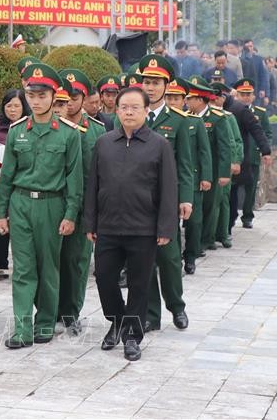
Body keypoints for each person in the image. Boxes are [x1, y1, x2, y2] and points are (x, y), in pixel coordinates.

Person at [84, 87, 178, 361]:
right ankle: (117, 320)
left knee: (140, 284)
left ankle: (132, 337)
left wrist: (165, 228)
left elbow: (168, 188)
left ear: (146, 112)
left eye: (135, 107)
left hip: (143, 228)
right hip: (108, 226)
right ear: (116, 109)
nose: (128, 112)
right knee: (103, 278)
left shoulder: (159, 145)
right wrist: (90, 222)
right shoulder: (104, 143)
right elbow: (93, 185)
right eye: (124, 107)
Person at [0, 63, 83, 349]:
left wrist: (71, 214)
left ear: (53, 95)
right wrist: (2, 214)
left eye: (42, 95)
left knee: (48, 268)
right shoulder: (17, 131)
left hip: (52, 205)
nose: (36, 101)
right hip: (21, 204)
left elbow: (74, 179)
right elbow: (6, 176)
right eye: (31, 95)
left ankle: (45, 322)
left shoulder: (69, 134)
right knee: (22, 269)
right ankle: (22, 328)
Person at [138, 54, 193, 335]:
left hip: (167, 201)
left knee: (169, 258)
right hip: (137, 201)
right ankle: (150, 315)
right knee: (143, 258)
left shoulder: (179, 122)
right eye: (147, 81)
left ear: (167, 85)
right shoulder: (132, 116)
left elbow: (185, 165)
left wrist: (186, 198)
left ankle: (177, 305)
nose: (151, 87)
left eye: (157, 82)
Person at [57, 68, 106, 335]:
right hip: (54, 202)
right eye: (67, 96)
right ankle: (51, 309)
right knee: (53, 261)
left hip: (84, 206)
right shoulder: (49, 125)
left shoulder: (96, 130)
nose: (71, 102)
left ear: (85, 97)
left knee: (77, 262)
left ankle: (71, 312)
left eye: (76, 96)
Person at [0, 89, 31, 281]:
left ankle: (23, 264)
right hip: (0, 182)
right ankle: (1, 265)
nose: (12, 109)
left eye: (16, 106)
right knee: (1, 221)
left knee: (20, 224)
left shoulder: (29, 125)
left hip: (22, 182)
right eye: (8, 105)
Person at [165, 78, 211, 275]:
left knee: (193, 222)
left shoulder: (193, 122)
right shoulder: (161, 121)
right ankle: (170, 258)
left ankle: (190, 256)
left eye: (176, 98)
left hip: (191, 180)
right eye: (169, 97)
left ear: (184, 100)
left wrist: (206, 176)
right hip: (168, 181)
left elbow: (204, 151)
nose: (171, 102)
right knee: (170, 223)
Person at [185, 76, 232, 254]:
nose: (187, 102)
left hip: (211, 170)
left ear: (200, 99)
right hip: (193, 170)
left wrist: (224, 173)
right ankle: (196, 242)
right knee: (196, 210)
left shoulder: (217, 118)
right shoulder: (186, 117)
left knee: (210, 206)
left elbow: (224, 147)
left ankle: (206, 239)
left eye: (190, 99)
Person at [229, 78, 273, 232]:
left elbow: (266, 133)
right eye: (243, 94)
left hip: (252, 155)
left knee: (251, 188)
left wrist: (265, 150)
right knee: (232, 188)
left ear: (254, 96)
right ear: (237, 95)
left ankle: (247, 216)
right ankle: (231, 216)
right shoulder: (231, 111)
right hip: (236, 156)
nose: (246, 97)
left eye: (249, 94)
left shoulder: (260, 113)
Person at [209, 82, 244, 249]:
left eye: (221, 96)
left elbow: (235, 141)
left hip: (224, 164)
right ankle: (208, 235)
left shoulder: (227, 117)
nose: (217, 99)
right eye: (214, 96)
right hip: (208, 164)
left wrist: (235, 161)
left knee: (223, 200)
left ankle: (223, 234)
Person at [242, 39, 269, 107]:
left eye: (251, 46)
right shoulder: (241, 59)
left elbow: (263, 75)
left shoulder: (259, 59)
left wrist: (262, 89)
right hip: (243, 89)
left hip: (256, 89)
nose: (249, 48)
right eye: (247, 46)